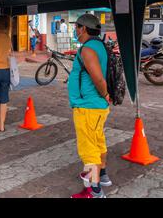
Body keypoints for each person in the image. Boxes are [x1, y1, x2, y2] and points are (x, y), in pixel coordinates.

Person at [68, 14, 111, 198]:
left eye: (76, 27)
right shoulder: (99, 45)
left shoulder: (87, 49)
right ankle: (102, 176)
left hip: (88, 107)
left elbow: (98, 79)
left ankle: (93, 191)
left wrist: (105, 94)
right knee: (98, 141)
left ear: (83, 28)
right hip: (95, 107)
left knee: (89, 149)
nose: (75, 30)